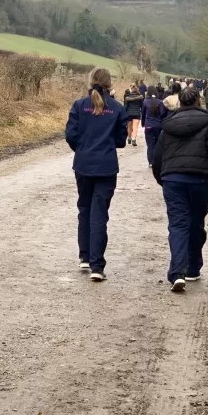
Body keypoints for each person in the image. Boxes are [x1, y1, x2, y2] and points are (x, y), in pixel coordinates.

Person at [152, 87, 208, 292]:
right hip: (201, 181)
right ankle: (193, 268)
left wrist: (163, 179)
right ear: (199, 101)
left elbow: (157, 158)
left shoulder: (168, 126)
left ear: (180, 102)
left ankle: (177, 273)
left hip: (173, 180)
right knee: (196, 222)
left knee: (178, 225)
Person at [65, 68, 128, 282]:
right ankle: (97, 266)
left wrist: (83, 149)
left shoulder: (79, 105)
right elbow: (121, 140)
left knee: (84, 208)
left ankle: (84, 256)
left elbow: (70, 135)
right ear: (110, 84)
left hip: (83, 164)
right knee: (99, 214)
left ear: (90, 81)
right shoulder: (117, 108)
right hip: (106, 166)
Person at [141, 88, 166, 167]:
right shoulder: (160, 102)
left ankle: (150, 161)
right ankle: (157, 160)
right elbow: (162, 114)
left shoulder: (145, 102)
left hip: (148, 125)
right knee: (157, 144)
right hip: (158, 126)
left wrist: (143, 123)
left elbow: (143, 114)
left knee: (150, 145)